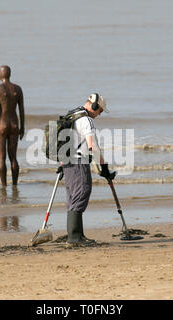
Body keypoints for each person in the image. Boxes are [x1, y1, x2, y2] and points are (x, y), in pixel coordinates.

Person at [60, 93, 116, 245]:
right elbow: (93, 146)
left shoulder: (72, 115)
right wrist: (104, 167)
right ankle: (74, 237)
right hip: (79, 162)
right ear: (95, 106)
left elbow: (65, 140)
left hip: (68, 162)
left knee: (72, 196)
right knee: (82, 192)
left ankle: (78, 234)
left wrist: (61, 164)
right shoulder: (87, 120)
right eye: (101, 111)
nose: (100, 114)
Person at [0, 65, 25, 186]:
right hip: (14, 124)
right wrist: (23, 127)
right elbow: (22, 110)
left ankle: (4, 185)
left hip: (1, 124)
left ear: (0, 75)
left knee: (1, 158)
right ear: (9, 74)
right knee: (13, 157)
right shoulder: (18, 89)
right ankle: (14, 184)